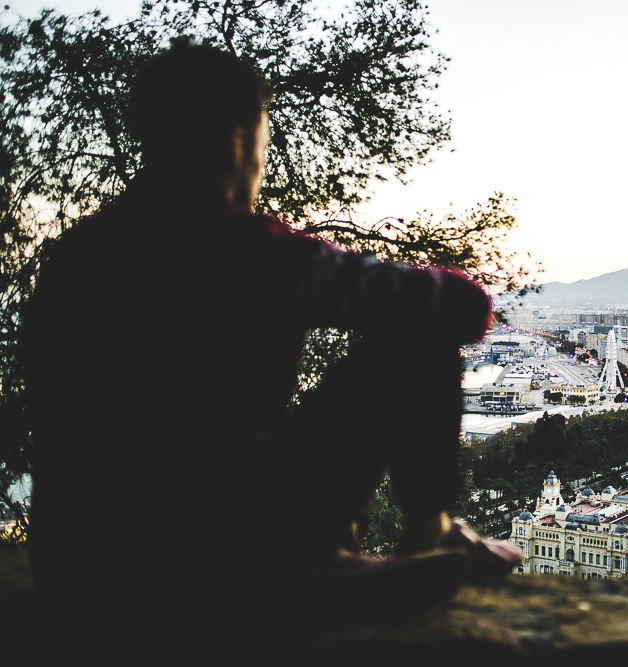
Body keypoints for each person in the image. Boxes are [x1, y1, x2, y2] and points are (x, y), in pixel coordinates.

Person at [23, 41, 519, 657]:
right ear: (236, 141)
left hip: (76, 579)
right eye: (263, 142)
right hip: (230, 561)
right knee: (420, 338)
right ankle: (424, 535)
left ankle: (323, 566)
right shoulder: (257, 255)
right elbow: (460, 309)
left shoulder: (71, 259)